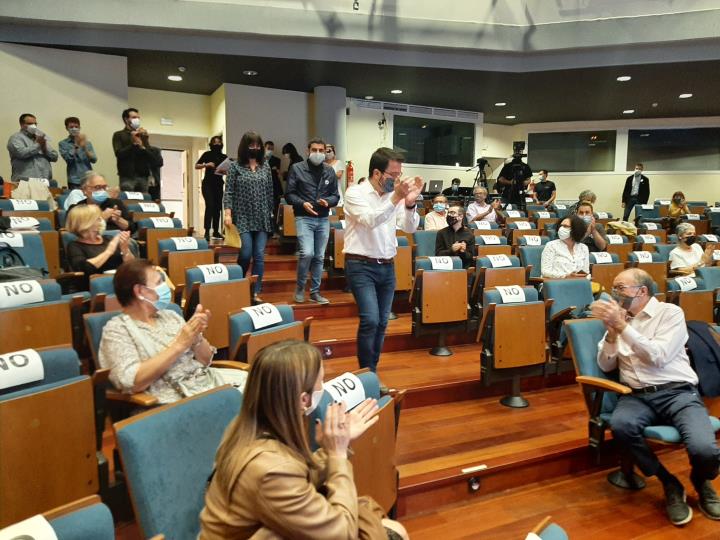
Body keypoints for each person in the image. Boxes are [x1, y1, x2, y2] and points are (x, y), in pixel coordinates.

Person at [199, 340, 408, 540]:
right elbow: (341, 533)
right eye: (321, 382)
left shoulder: (247, 425)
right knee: (392, 530)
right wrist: (338, 454)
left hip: (268, 527)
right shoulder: (270, 470)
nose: (324, 388)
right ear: (304, 400)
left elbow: (297, 478)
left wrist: (329, 450)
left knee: (381, 523)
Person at [591, 268, 720, 526]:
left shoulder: (670, 314)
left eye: (620, 288)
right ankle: (668, 482)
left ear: (642, 291)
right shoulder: (619, 321)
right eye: (613, 288)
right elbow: (605, 365)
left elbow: (658, 356)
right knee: (621, 426)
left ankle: (701, 479)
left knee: (704, 450)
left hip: (678, 392)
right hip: (636, 396)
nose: (614, 294)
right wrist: (613, 336)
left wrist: (623, 327)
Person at [98, 259, 247, 404]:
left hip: (206, 382)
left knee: (262, 382)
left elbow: (205, 361)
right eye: (158, 283)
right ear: (140, 291)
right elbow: (133, 382)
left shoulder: (170, 316)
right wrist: (179, 345)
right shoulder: (117, 330)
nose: (165, 287)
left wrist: (196, 336)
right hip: (176, 400)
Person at [343, 147, 422, 372]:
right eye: (393, 175)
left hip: (387, 266)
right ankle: (367, 372)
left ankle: (372, 370)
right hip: (360, 265)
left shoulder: (393, 197)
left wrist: (409, 203)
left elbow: (409, 226)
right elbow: (369, 220)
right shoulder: (355, 193)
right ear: (377, 174)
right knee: (370, 319)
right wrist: (396, 197)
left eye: (399, 175)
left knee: (382, 322)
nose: (398, 180)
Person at [286, 137, 340, 305]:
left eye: (321, 150)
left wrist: (329, 202)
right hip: (304, 217)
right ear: (307, 151)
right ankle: (300, 289)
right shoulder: (297, 168)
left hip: (323, 218)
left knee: (319, 256)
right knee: (307, 253)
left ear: (325, 152)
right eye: (314, 150)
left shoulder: (329, 171)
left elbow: (335, 196)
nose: (318, 153)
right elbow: (289, 194)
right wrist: (303, 203)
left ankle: (315, 292)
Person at [223, 131, 274, 303]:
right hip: (242, 216)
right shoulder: (235, 167)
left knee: (259, 254)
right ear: (245, 147)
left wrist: (271, 213)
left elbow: (270, 191)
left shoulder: (265, 166)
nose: (255, 148)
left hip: (262, 216)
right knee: (245, 253)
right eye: (252, 145)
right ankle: (238, 282)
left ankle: (255, 291)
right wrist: (228, 213)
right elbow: (228, 191)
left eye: (258, 145)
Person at [65, 204, 134, 288]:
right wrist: (109, 251)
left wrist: (125, 249)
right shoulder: (74, 246)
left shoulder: (108, 239)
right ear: (86, 222)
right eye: (98, 218)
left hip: (120, 283)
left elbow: (132, 265)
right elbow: (84, 269)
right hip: (95, 287)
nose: (101, 220)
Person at [67, 172, 133, 232]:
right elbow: (73, 230)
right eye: (97, 187)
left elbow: (132, 229)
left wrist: (118, 220)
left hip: (118, 240)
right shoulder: (77, 209)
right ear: (84, 190)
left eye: (104, 187)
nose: (102, 191)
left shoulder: (116, 204)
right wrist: (101, 218)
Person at [112, 108, 154, 192]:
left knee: (143, 202)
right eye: (134, 117)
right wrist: (133, 144)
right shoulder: (119, 135)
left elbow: (150, 156)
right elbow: (119, 154)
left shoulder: (142, 135)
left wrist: (145, 140)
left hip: (143, 176)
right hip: (127, 176)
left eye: (138, 118)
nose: (137, 120)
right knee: (128, 201)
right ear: (126, 119)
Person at [7, 113, 58, 181]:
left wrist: (44, 149)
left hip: (44, 180)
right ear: (22, 125)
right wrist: (38, 145)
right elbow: (21, 153)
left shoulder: (40, 138)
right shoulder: (15, 138)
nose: (33, 126)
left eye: (35, 124)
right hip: (25, 180)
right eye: (30, 123)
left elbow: (55, 157)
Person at [195, 136, 228, 241]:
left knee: (217, 207)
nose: (217, 144)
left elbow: (227, 171)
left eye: (219, 142)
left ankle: (216, 231)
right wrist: (206, 164)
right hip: (208, 184)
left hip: (218, 184)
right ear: (211, 144)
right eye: (215, 142)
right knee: (210, 205)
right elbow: (196, 165)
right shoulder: (207, 154)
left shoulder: (224, 156)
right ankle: (206, 231)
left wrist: (223, 171)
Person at [58, 117, 97, 190]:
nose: (74, 129)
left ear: (80, 127)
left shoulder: (87, 143)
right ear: (67, 128)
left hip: (88, 178)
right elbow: (68, 159)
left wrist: (84, 147)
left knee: (90, 200)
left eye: (76, 127)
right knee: (76, 200)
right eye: (71, 127)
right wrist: (76, 145)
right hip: (74, 180)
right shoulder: (63, 143)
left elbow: (94, 159)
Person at [265, 140, 284, 228]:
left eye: (272, 149)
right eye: (268, 148)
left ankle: (275, 229)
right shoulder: (259, 160)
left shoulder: (277, 160)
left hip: (275, 187)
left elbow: (278, 173)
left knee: (276, 208)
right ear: (264, 148)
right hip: (263, 187)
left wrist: (277, 171)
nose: (270, 150)